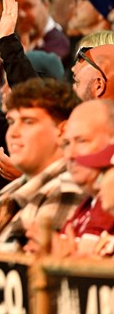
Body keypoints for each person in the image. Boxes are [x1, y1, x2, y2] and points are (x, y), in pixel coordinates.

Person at [0, 78, 83, 252]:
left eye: (28, 122)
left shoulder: (68, 189)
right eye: (12, 122)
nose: (13, 132)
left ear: (62, 130)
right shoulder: (7, 193)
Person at [50, 100, 114, 256]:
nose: (70, 155)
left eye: (82, 141)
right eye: (66, 144)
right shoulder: (88, 204)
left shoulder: (107, 203)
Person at [0, 0, 70, 61]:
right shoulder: (7, 44)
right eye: (13, 8)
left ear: (46, 5)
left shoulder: (61, 46)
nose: (20, 14)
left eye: (27, 6)